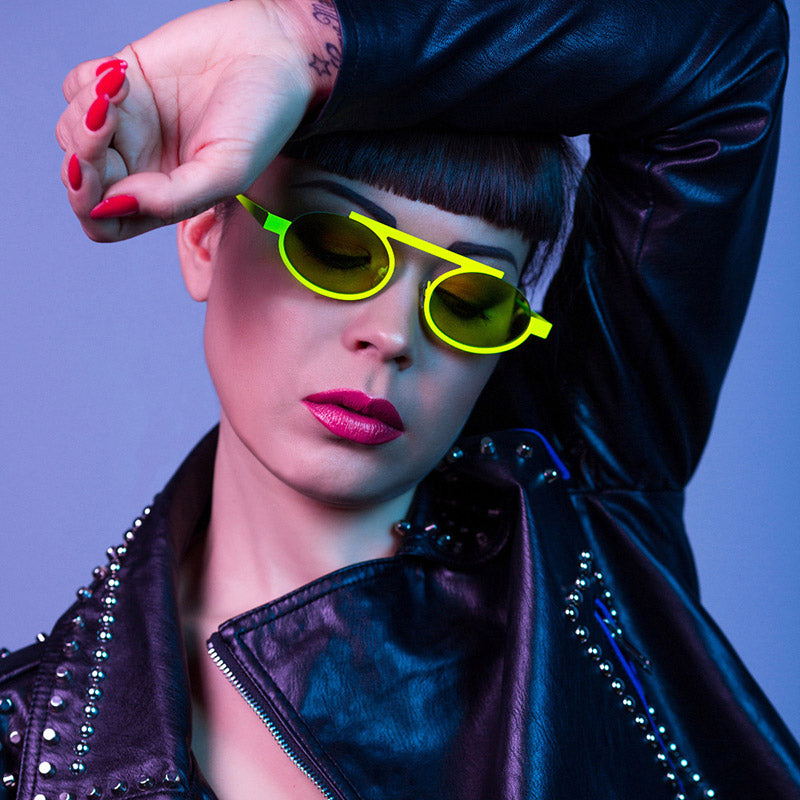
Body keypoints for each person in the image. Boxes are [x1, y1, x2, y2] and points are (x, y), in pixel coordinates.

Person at [1, 0, 798, 799]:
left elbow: (724, 58)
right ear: (205, 235)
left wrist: (302, 43)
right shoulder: (28, 750)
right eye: (339, 250)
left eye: (470, 299)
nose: (391, 335)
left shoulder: (579, 493)